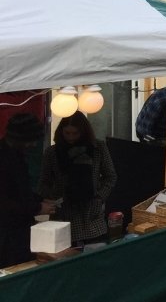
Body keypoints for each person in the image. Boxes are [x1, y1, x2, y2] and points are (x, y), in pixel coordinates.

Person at [39, 111, 117, 245]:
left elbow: (110, 176)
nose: (71, 138)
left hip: (91, 213)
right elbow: (44, 181)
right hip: (63, 213)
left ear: (83, 132)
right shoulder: (52, 152)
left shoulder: (97, 148)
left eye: (75, 133)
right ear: (61, 132)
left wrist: (99, 197)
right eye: (67, 133)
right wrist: (53, 199)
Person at [0, 113, 56, 267]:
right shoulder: (5, 160)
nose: (33, 145)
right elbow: (5, 202)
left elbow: (20, 190)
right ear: (21, 138)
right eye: (31, 140)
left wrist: (39, 200)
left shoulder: (17, 155)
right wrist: (37, 207)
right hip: (7, 236)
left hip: (20, 231)